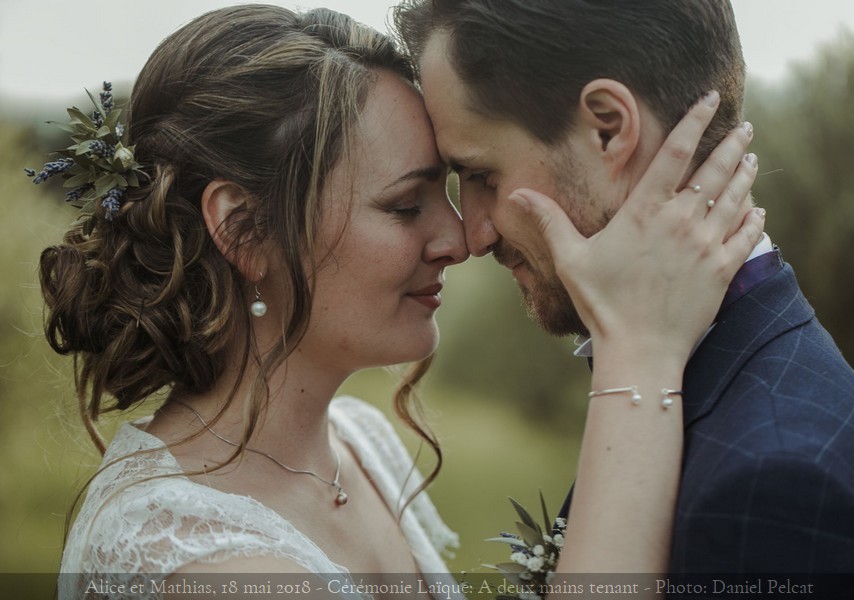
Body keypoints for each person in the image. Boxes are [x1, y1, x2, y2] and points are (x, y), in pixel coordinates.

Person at [35, 4, 762, 599]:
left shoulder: (362, 449)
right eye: (406, 205)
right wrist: (638, 351)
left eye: (453, 185)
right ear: (243, 229)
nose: (459, 237)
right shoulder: (195, 560)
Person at [393, 0, 854, 586]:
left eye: (482, 175)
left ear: (608, 128)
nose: (473, 235)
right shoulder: (715, 373)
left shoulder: (774, 490)